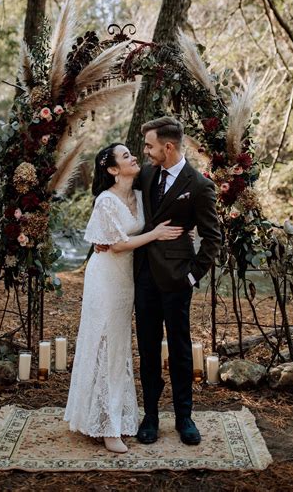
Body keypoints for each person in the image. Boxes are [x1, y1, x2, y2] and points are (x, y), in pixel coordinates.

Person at [64, 142, 183, 454]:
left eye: (132, 153)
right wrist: (155, 234)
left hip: (126, 281)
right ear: (113, 170)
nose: (133, 158)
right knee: (105, 344)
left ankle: (111, 416)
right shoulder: (105, 200)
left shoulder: (142, 196)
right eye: (126, 156)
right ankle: (107, 427)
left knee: (118, 347)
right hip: (105, 279)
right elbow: (116, 245)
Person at [133, 116, 221, 447]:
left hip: (176, 279)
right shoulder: (145, 173)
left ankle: (185, 417)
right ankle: (151, 415)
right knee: (147, 347)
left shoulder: (198, 185)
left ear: (168, 147)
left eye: (150, 146)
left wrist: (191, 275)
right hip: (144, 278)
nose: (145, 152)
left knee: (181, 350)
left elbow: (212, 238)